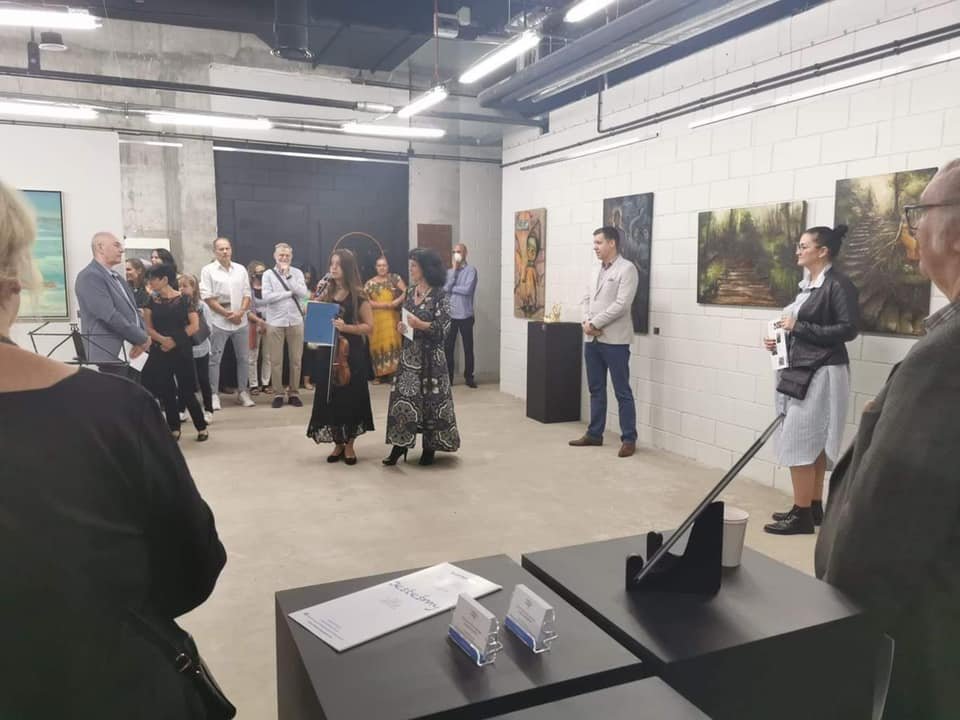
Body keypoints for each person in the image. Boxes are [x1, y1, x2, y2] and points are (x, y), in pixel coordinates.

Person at [0, 181, 226, 718]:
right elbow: (192, 564)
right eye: (113, 245)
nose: (120, 250)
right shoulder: (110, 410)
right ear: (13, 279)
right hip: (103, 683)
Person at [816, 160, 960, 719]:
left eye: (920, 212)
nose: (912, 227)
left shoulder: (945, 359)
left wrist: (840, 624)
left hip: (928, 636)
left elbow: (885, 523)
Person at [763, 226, 859, 535]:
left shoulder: (838, 285)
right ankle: (812, 506)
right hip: (804, 369)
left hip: (823, 372)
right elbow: (800, 327)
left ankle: (801, 514)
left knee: (799, 439)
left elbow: (848, 329)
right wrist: (779, 340)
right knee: (811, 441)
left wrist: (798, 328)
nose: (798, 250)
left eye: (804, 246)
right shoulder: (808, 287)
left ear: (823, 251)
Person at [384, 248, 461, 466]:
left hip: (432, 359)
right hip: (410, 356)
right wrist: (403, 327)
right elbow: (406, 320)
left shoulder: (440, 295)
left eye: (414, 266)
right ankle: (399, 445)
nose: (411, 270)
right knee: (403, 400)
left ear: (426, 268)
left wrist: (421, 325)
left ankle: (430, 447)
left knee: (431, 403)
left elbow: (444, 329)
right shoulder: (410, 292)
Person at [569, 226, 639, 458]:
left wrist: (595, 322)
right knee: (596, 389)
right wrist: (586, 322)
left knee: (622, 391)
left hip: (615, 341)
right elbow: (586, 298)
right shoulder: (594, 270)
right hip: (592, 339)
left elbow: (622, 305)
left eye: (599, 243)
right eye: (594, 243)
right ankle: (594, 434)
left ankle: (629, 439)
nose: (595, 247)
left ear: (612, 243)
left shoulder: (627, 269)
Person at [307, 249, 374, 465]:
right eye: (331, 263)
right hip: (327, 351)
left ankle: (350, 444)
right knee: (330, 396)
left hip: (349, 352)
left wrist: (346, 327)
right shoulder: (327, 291)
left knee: (351, 397)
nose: (333, 268)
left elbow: (369, 327)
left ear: (347, 267)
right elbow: (313, 315)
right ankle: (338, 443)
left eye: (338, 264)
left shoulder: (359, 295)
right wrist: (315, 299)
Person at [141, 264, 209, 442]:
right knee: (167, 390)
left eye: (153, 279)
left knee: (187, 391)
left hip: (182, 350)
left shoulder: (184, 299)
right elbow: (148, 327)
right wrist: (163, 340)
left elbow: (194, 325)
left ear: (164, 279)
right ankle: (174, 428)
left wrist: (174, 341)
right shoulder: (150, 301)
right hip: (160, 350)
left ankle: (201, 426)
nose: (150, 283)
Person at [75, 232, 150, 374]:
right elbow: (109, 315)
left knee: (133, 388)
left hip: (132, 352)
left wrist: (143, 338)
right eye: (116, 245)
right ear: (100, 247)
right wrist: (142, 337)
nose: (121, 250)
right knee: (117, 388)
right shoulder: (90, 276)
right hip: (111, 354)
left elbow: (133, 311)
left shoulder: (117, 277)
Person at [200, 237, 255, 409]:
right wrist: (226, 314)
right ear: (215, 251)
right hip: (219, 320)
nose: (225, 252)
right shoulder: (208, 270)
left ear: (231, 249)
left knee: (243, 358)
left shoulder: (240, 269)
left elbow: (247, 294)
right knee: (214, 359)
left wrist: (240, 312)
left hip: (240, 320)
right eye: (221, 249)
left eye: (227, 248)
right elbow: (207, 297)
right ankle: (214, 394)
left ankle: (242, 392)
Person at [262, 243, 310, 407]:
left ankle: (294, 392)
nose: (284, 258)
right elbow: (267, 297)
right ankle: (278, 393)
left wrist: (288, 277)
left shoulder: (297, 273)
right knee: (276, 360)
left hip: (295, 320)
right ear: (275, 256)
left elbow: (303, 293)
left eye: (287, 255)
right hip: (275, 321)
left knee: (296, 360)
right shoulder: (268, 274)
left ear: (291, 257)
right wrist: (289, 293)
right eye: (281, 255)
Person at [177, 273, 214, 425]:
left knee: (203, 379)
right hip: (183, 349)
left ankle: (208, 409)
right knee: (183, 380)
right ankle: (181, 409)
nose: (181, 289)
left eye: (185, 286)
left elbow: (209, 327)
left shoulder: (202, 306)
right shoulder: (176, 305)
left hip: (200, 348)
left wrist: (195, 332)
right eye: (179, 286)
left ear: (194, 288)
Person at [364, 255, 406, 383]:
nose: (382, 268)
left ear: (388, 267)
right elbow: (365, 301)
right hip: (376, 319)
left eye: (384, 265)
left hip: (392, 317)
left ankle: (394, 374)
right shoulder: (369, 284)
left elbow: (407, 291)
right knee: (377, 345)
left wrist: (395, 302)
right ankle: (379, 375)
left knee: (393, 342)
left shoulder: (394, 278)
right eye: (379, 265)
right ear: (375, 267)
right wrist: (385, 305)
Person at [443, 243, 478, 388]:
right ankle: (449, 378)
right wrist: (454, 271)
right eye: (454, 252)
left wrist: (452, 288)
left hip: (466, 315)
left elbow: (467, 290)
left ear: (465, 253)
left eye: (459, 251)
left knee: (468, 348)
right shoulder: (449, 272)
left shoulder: (471, 270)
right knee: (448, 348)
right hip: (451, 315)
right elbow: (444, 288)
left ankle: (469, 377)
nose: (456, 254)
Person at [246, 259, 271, 395]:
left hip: (270, 324)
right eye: (259, 272)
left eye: (263, 271)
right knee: (252, 357)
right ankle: (253, 384)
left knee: (268, 356)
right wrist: (259, 321)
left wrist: (267, 322)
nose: (262, 274)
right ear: (252, 274)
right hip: (253, 325)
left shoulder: (269, 288)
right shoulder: (248, 290)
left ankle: (266, 383)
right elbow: (247, 310)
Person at [300, 263, 319, 390]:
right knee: (299, 354)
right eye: (305, 278)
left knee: (311, 353)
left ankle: (310, 380)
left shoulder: (316, 290)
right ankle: (299, 381)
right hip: (299, 323)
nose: (307, 280)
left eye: (309, 278)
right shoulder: (298, 290)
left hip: (313, 324)